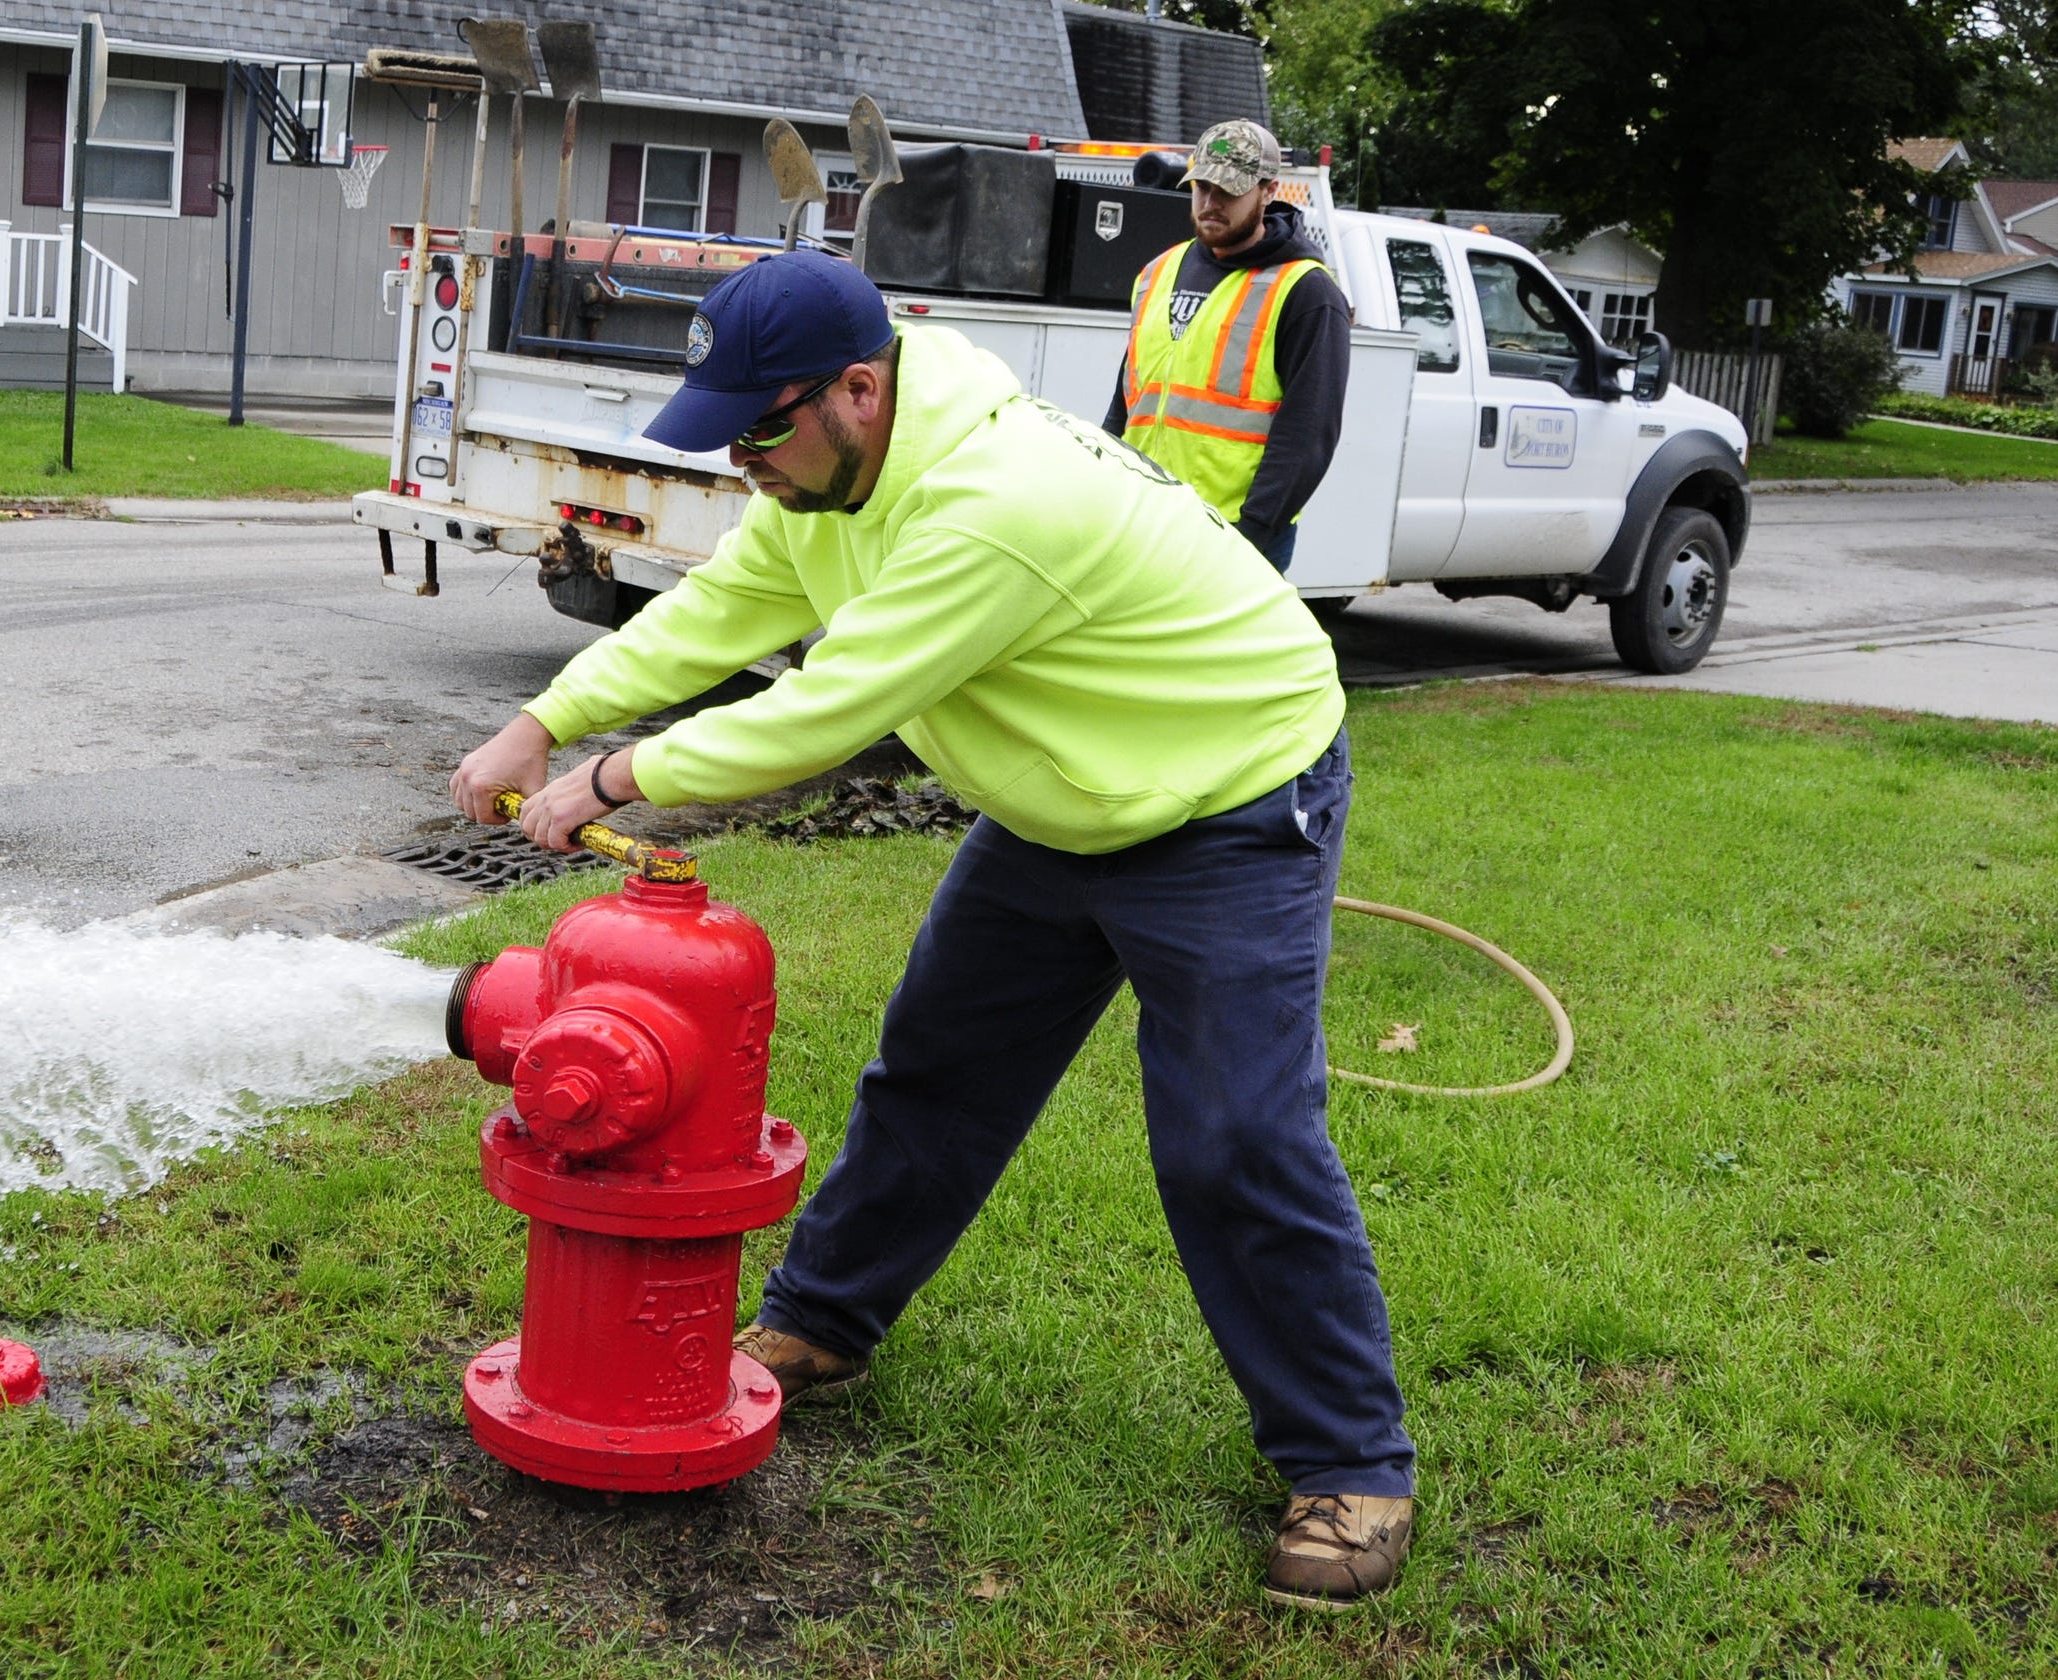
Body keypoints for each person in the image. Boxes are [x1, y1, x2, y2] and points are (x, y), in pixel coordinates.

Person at [449, 249, 1415, 1611]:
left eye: (761, 429)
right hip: (1055, 800)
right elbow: (725, 607)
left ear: (858, 387)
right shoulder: (828, 470)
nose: (746, 462)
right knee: (936, 1073)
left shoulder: (994, 502)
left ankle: (1353, 1463)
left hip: (1227, 793)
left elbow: (827, 709)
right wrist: (542, 717)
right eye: (726, 433)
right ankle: (824, 1324)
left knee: (1235, 1136)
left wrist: (611, 777)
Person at [1105, 120, 1351, 576]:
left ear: (1268, 191)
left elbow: (1308, 433)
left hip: (1234, 535)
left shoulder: (1306, 291)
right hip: (1143, 520)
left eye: (1228, 190)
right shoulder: (1157, 272)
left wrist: (1251, 534)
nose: (1210, 203)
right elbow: (1128, 399)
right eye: (1201, 187)